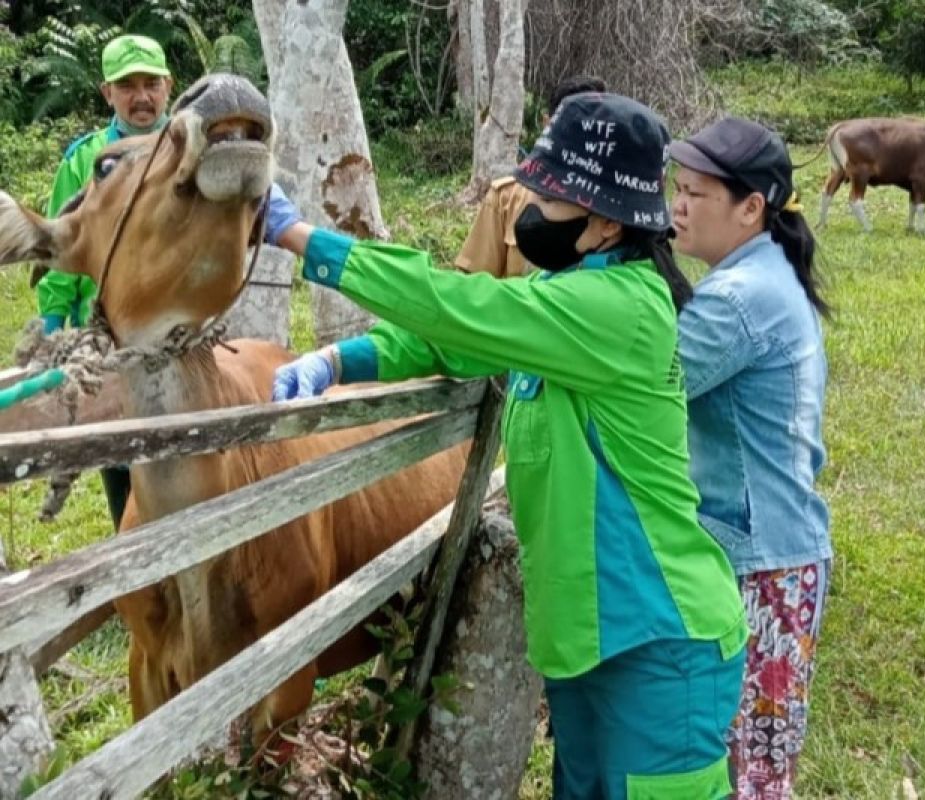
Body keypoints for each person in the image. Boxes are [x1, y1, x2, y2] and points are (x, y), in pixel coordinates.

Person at [270, 93, 748, 797]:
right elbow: (462, 336)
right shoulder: (569, 291)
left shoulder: (620, 309)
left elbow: (466, 305)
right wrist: (342, 363)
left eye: (552, 197)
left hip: (659, 643)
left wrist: (306, 241)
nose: (531, 210)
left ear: (606, 221)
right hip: (588, 639)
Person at [669, 118, 833, 797]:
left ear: (751, 208)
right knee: (747, 756)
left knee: (751, 769)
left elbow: (650, 380)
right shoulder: (757, 274)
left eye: (696, 195)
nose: (676, 207)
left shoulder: (740, 299)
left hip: (760, 561)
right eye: (675, 189)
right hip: (772, 546)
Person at [38, 34, 175, 335]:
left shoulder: (191, 154)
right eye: (126, 86)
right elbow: (59, 248)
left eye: (151, 83)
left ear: (168, 86)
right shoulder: (83, 159)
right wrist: (50, 334)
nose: (141, 97)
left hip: (179, 331)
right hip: (101, 332)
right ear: (107, 93)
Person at [455, 75, 606, 279]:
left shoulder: (615, 210)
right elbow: (470, 287)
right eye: (570, 127)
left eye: (590, 129)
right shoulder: (506, 199)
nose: (579, 140)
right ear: (547, 124)